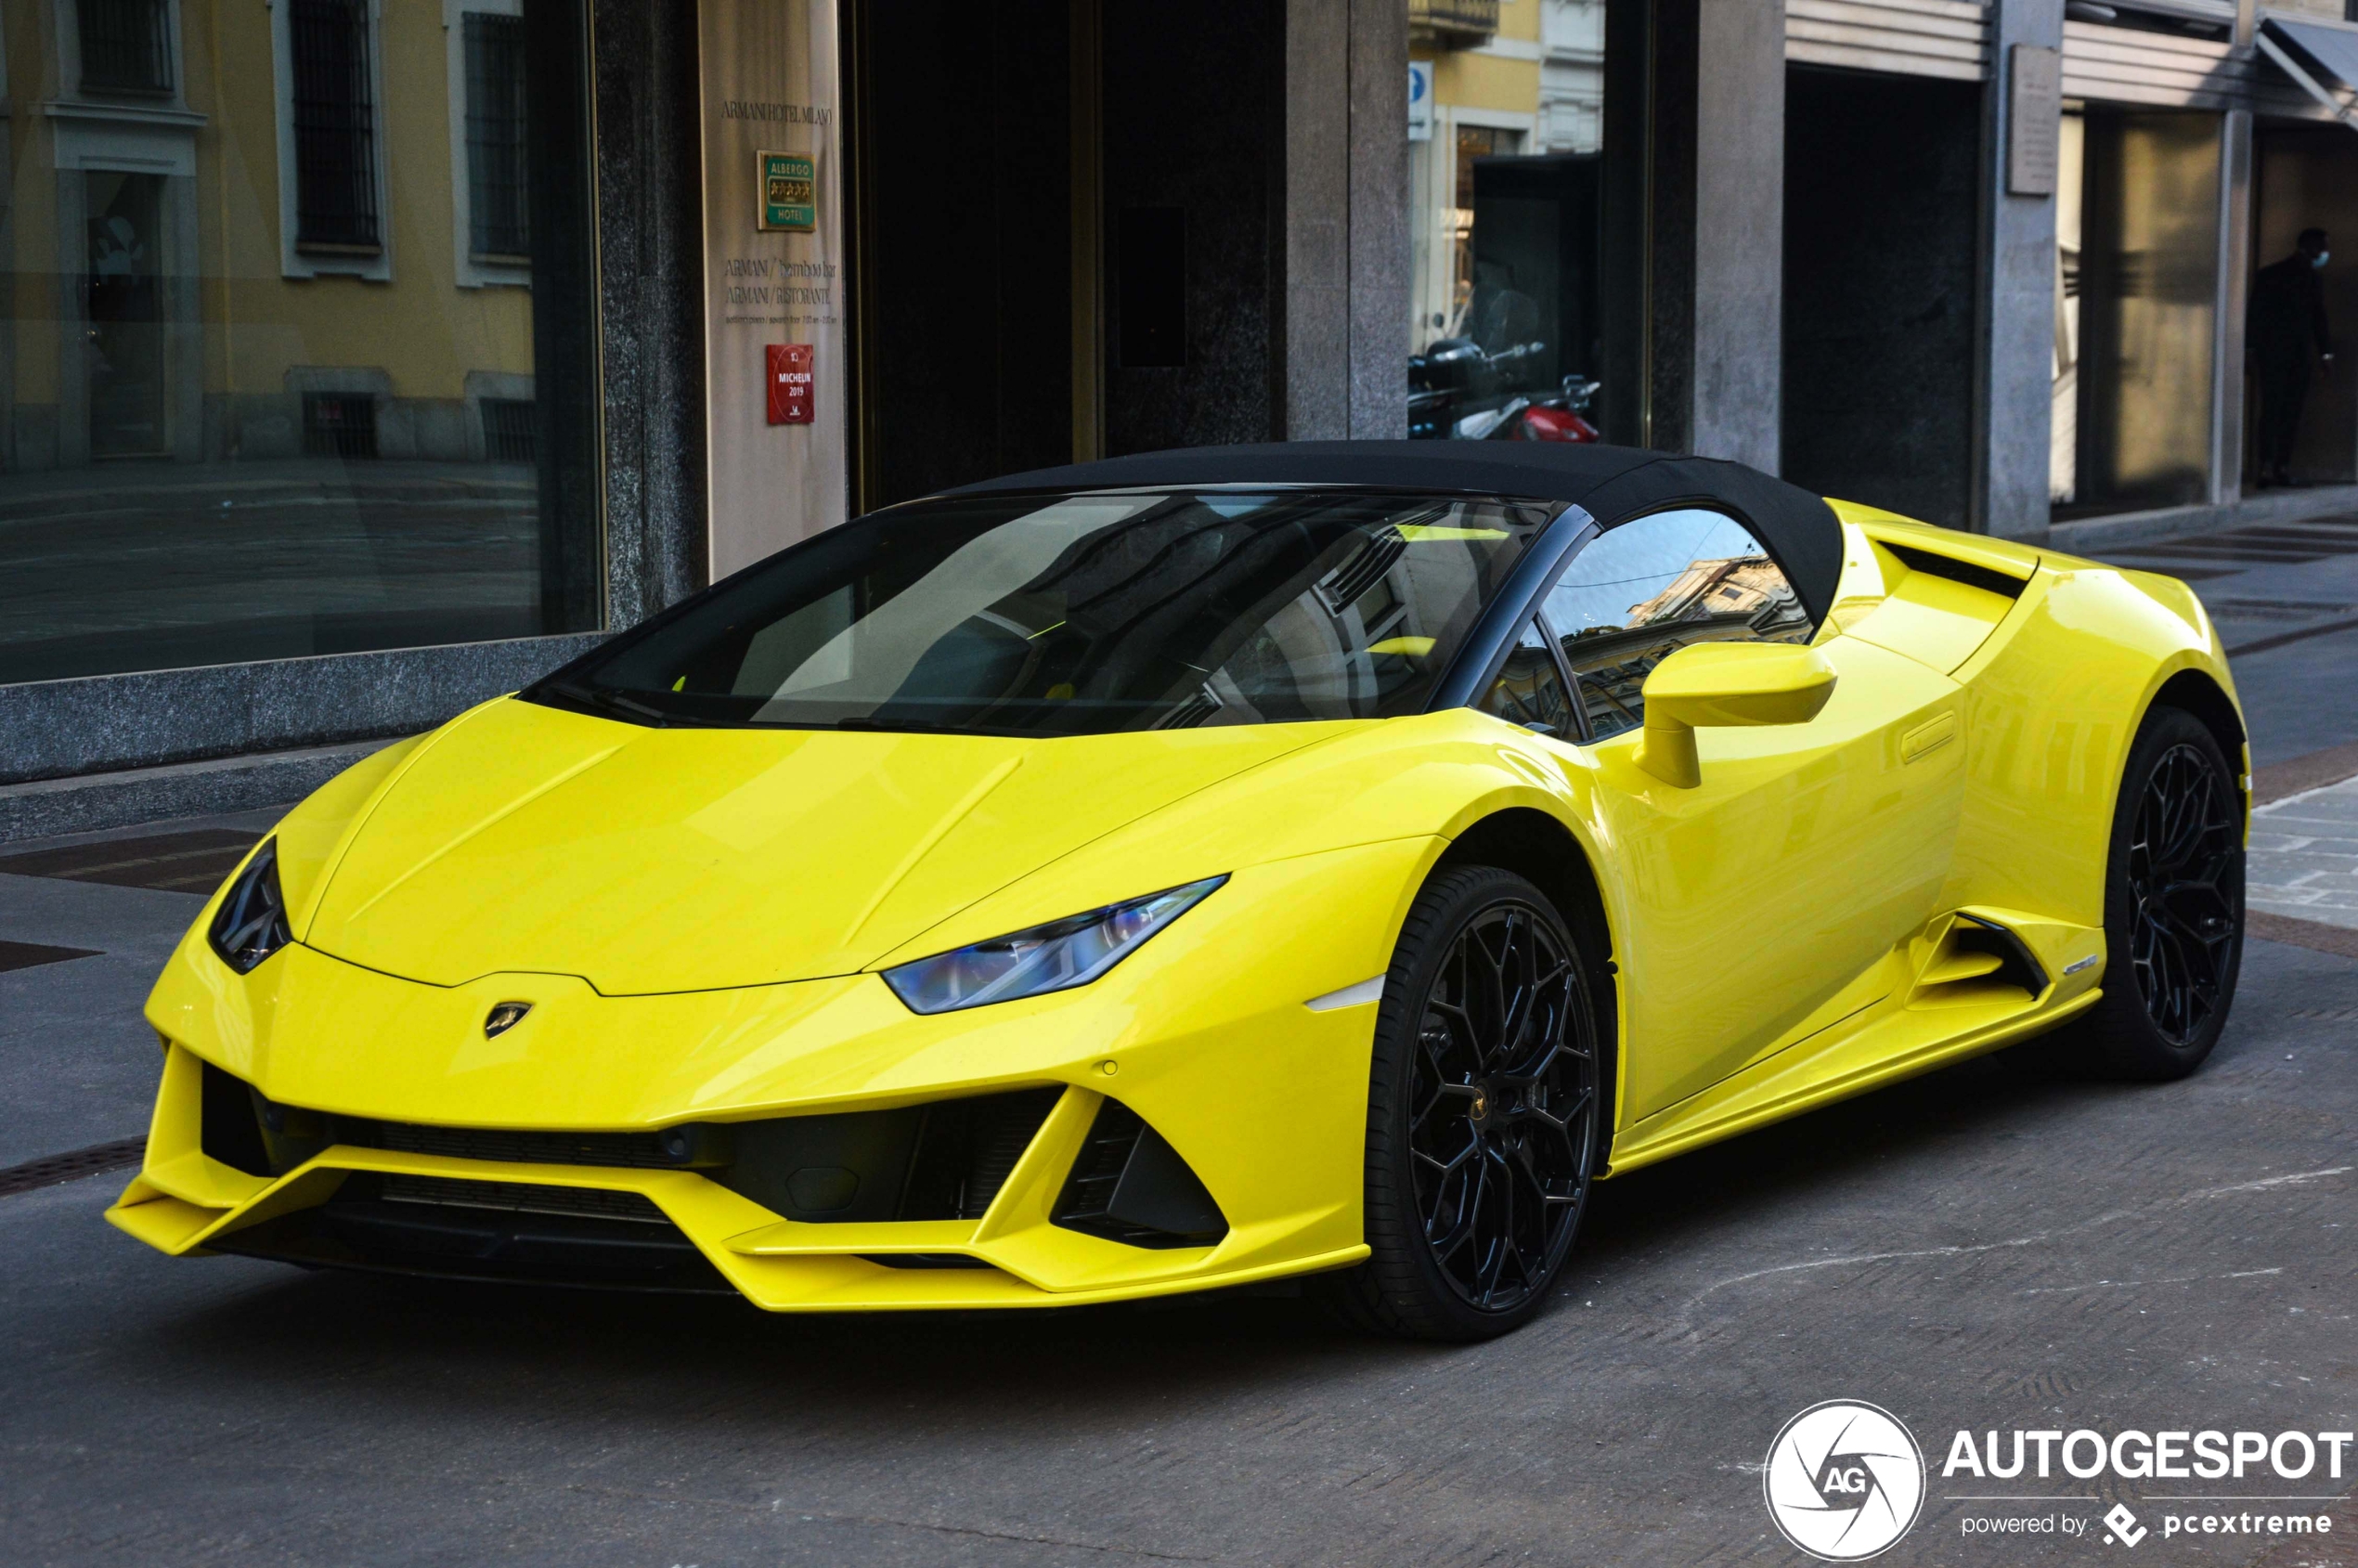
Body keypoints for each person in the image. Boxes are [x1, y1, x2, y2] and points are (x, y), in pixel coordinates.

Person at [2248, 227, 2334, 488]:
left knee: (2270, 410)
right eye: (2323, 247)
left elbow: (2254, 315)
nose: (2325, 253)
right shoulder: (2311, 278)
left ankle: (2264, 467)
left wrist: (2251, 349)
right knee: (2290, 412)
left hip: (2270, 354)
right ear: (2310, 247)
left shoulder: (2269, 275)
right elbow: (2318, 319)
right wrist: (2325, 354)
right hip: (2297, 355)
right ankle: (2281, 467)